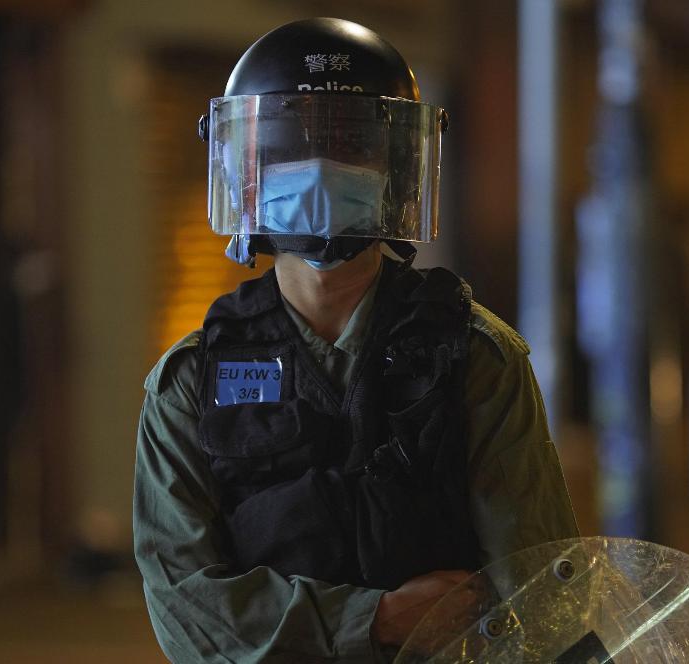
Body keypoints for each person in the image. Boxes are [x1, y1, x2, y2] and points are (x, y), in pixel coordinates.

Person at [133, 17, 579, 663]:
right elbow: (188, 612)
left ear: (398, 170)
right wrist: (380, 619)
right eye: (290, 148)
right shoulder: (190, 383)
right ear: (246, 174)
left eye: (352, 146)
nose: (320, 171)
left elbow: (537, 592)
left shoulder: (476, 357)